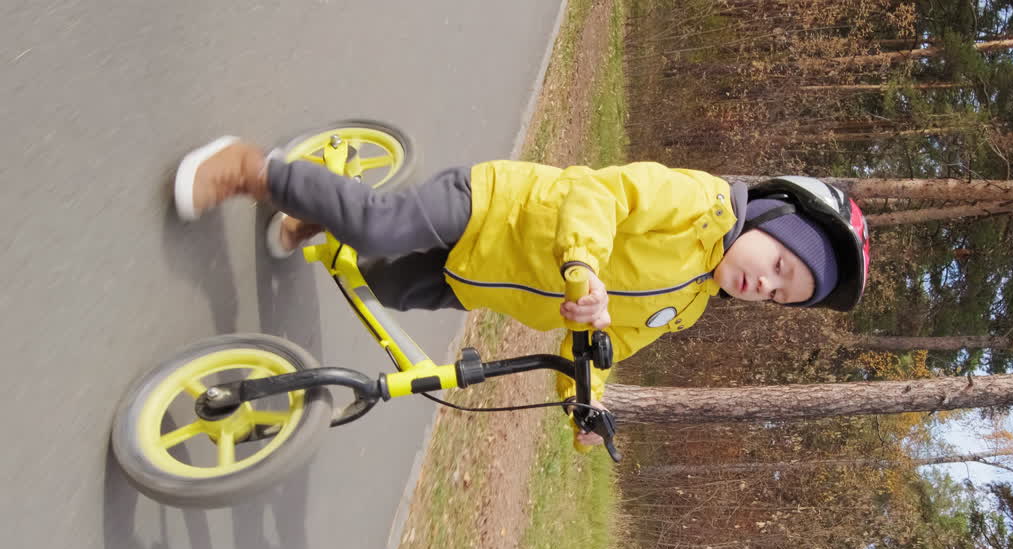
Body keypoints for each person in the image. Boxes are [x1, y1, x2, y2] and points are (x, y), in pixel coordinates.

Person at [173, 137, 871, 445]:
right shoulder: (698, 203)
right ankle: (250, 168)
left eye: (781, 296)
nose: (764, 286)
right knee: (382, 227)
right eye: (780, 265)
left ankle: (317, 209)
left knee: (387, 285)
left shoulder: (684, 306)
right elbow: (597, 195)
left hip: (482, 278)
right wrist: (584, 266)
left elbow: (604, 344)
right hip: (497, 207)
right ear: (773, 216)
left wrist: (586, 405)